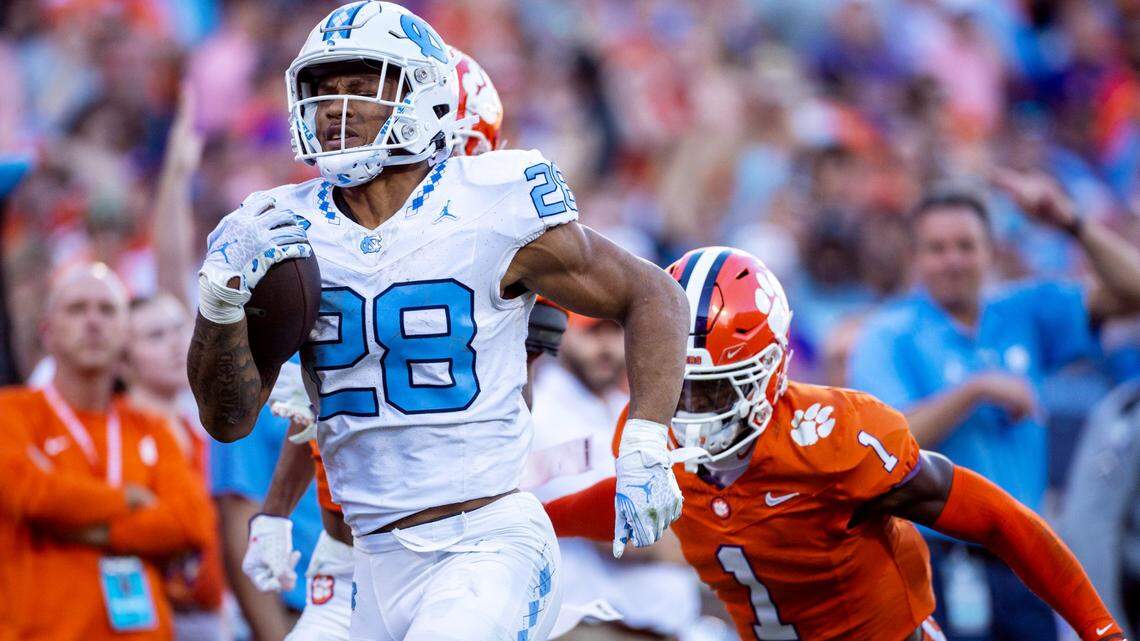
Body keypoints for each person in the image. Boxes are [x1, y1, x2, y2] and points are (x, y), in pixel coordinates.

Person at [185, 5, 690, 639]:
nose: (336, 108)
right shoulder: (282, 227)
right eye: (324, 89)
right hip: (365, 560)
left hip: (486, 543)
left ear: (423, 93)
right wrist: (219, 299)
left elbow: (655, 296)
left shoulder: (494, 200)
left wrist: (645, 442)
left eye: (361, 86)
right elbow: (226, 419)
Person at [543, 246, 1126, 641]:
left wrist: (1101, 631)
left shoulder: (835, 439)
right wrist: (537, 518)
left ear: (769, 372)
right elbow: (619, 502)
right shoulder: (647, 431)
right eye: (676, 388)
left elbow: (998, 520)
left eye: (713, 392)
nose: (689, 412)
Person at [847, 170, 1140, 640]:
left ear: (990, 251)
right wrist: (974, 390)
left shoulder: (1022, 311)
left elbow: (1133, 293)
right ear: (916, 257)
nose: (953, 260)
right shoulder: (889, 333)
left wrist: (1073, 224)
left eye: (966, 245)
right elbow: (880, 445)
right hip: (932, 564)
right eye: (937, 248)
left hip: (1026, 561)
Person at [0, 263, 214, 641]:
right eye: (77, 309)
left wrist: (80, 523)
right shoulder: (10, 413)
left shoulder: (152, 428)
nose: (93, 321)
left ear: (124, 335)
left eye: (107, 310)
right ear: (47, 332)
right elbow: (28, 494)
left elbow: (189, 522)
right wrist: (130, 499)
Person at [527, 313, 701, 640]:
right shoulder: (544, 415)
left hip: (665, 625)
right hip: (591, 625)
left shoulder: (627, 406)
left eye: (614, 333)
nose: (606, 347)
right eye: (592, 333)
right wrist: (702, 541)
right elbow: (623, 530)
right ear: (563, 335)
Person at [123, 293, 226, 640]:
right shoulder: (117, 431)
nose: (175, 344)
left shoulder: (194, 432)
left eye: (180, 328)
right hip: (145, 615)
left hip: (208, 616)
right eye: (155, 335)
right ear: (124, 360)